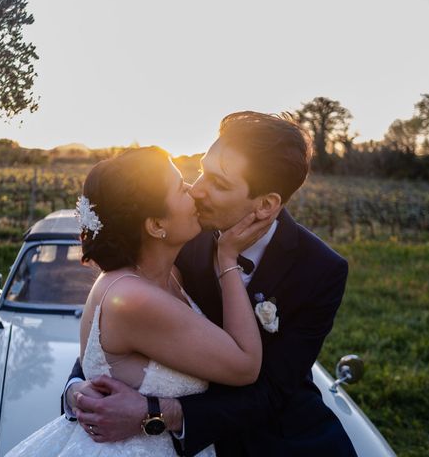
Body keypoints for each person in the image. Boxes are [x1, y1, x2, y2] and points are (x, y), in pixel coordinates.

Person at [64, 112, 358, 456]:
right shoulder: (177, 234)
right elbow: (116, 324)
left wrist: (156, 413)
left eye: (219, 183)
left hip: (272, 442)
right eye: (203, 169)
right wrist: (79, 392)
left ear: (265, 205)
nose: (198, 189)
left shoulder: (319, 269)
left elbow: (272, 391)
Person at [6, 146, 274, 457]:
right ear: (156, 225)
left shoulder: (169, 274)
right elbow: (244, 366)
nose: (193, 191)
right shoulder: (132, 298)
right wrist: (228, 259)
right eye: (179, 187)